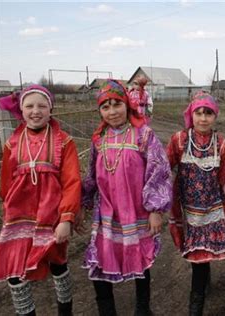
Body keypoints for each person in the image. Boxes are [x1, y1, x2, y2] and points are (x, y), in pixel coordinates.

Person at [82, 79, 172, 316]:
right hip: (107, 214)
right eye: (105, 106)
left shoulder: (144, 135)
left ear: (126, 104)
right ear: (100, 111)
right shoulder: (99, 139)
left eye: (116, 104)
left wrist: (155, 209)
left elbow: (159, 171)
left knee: (140, 261)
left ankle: (143, 310)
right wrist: (80, 203)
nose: (112, 111)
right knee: (100, 259)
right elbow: (91, 175)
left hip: (137, 211)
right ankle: (106, 311)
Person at [0, 85, 82, 315]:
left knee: (58, 263)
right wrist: (7, 211)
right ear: (21, 110)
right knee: (14, 270)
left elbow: (72, 181)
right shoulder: (11, 144)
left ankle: (66, 312)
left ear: (51, 109)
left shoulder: (64, 141)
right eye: (29, 105)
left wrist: (67, 218)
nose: (36, 111)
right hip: (18, 218)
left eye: (42, 105)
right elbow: (6, 184)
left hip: (52, 217)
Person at [166, 91, 225, 316]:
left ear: (215, 116)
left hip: (211, 206)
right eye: (199, 112)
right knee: (198, 256)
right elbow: (165, 166)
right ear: (191, 114)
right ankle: (203, 285)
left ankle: (195, 307)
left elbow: (222, 171)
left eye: (208, 113)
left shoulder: (221, 143)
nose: (203, 118)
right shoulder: (179, 139)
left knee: (201, 257)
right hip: (188, 208)